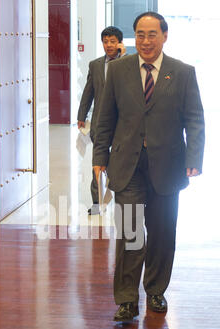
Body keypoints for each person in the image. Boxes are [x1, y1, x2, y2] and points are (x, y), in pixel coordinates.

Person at [93, 12, 205, 321]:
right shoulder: (117, 71)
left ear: (165, 36)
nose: (145, 41)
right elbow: (105, 119)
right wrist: (99, 158)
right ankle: (127, 299)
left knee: (161, 231)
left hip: (168, 165)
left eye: (152, 34)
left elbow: (195, 120)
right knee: (131, 232)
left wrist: (194, 159)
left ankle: (155, 290)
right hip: (127, 164)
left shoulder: (182, 73)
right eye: (140, 34)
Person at [77, 26, 126, 215]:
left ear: (120, 43)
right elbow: (88, 91)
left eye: (113, 41)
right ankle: (97, 203)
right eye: (105, 41)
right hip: (99, 123)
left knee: (121, 163)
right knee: (98, 164)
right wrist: (82, 115)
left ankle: (121, 199)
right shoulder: (95, 65)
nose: (109, 45)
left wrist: (122, 56)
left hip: (122, 124)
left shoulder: (127, 63)